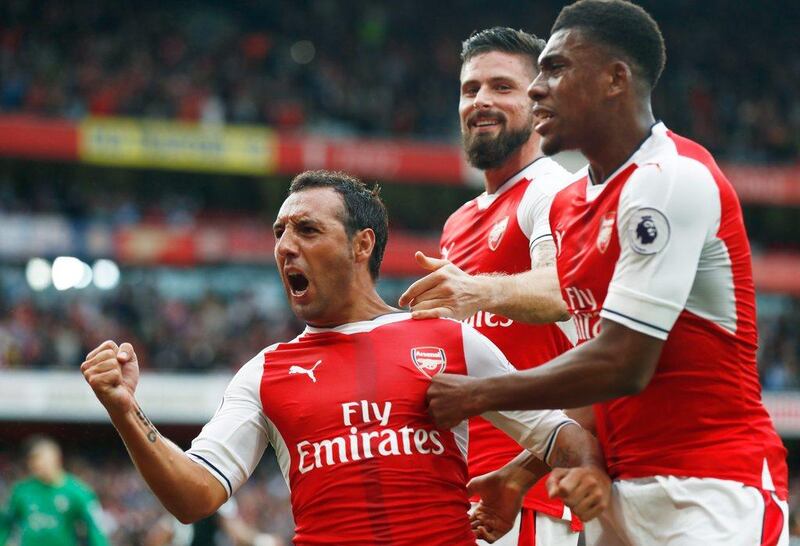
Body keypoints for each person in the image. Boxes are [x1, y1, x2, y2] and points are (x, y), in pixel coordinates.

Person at [80, 170, 610, 546]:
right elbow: (194, 497)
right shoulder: (264, 372)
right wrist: (127, 411)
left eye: (307, 230)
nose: (286, 246)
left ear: (362, 245)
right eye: (279, 232)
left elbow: (561, 435)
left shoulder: (453, 341)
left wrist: (573, 470)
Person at [425, 1, 790, 545]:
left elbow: (623, 361)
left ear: (615, 79)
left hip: (710, 490)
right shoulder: (574, 203)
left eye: (554, 70)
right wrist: (520, 475)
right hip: (613, 498)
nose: (538, 90)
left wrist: (481, 394)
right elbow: (590, 368)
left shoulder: (670, 178)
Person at [398, 27, 580, 546]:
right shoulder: (459, 222)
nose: (481, 100)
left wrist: (477, 291)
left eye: (502, 86)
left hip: (536, 494)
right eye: (469, 88)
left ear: (539, 98)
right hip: (470, 490)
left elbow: (562, 290)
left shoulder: (554, 189)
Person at [0, 436, 109, 546]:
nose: (38, 464)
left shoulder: (78, 492)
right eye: (33, 460)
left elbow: (96, 529)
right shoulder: (21, 491)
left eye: (42, 459)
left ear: (57, 458)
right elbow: (4, 523)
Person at [144, 497, 284, 546]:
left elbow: (156, 536)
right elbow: (235, 530)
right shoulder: (217, 497)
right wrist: (262, 541)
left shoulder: (188, 499)